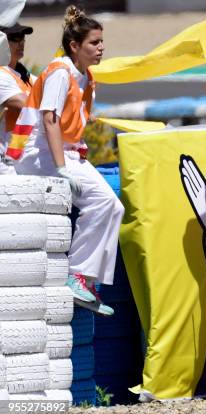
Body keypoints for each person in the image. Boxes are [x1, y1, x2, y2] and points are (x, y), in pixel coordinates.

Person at [9, 6, 123, 316]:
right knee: (101, 202)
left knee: (114, 206)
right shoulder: (60, 71)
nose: (101, 48)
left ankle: (84, 277)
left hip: (66, 152)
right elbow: (49, 120)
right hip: (39, 154)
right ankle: (76, 274)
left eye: (101, 42)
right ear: (75, 46)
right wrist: (60, 166)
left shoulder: (86, 77)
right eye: (94, 43)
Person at [0, 22, 35, 175]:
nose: (21, 42)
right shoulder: (1, 75)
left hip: (25, 156)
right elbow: (29, 105)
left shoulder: (24, 74)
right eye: (14, 38)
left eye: (22, 37)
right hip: (7, 163)